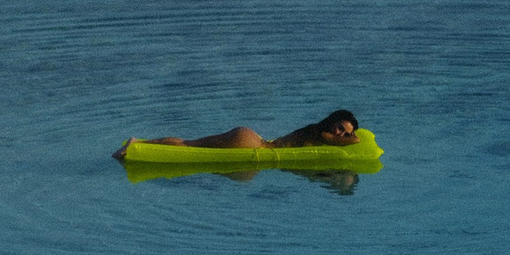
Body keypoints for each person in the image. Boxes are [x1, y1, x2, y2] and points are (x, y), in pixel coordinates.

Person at [112, 109, 359, 162]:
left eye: (344, 132)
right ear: (331, 122)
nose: (341, 133)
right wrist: (352, 136)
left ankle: (141, 144)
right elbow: (355, 141)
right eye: (340, 127)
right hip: (253, 145)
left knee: (194, 145)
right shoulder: (322, 134)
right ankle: (139, 144)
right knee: (192, 145)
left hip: (255, 140)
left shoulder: (315, 129)